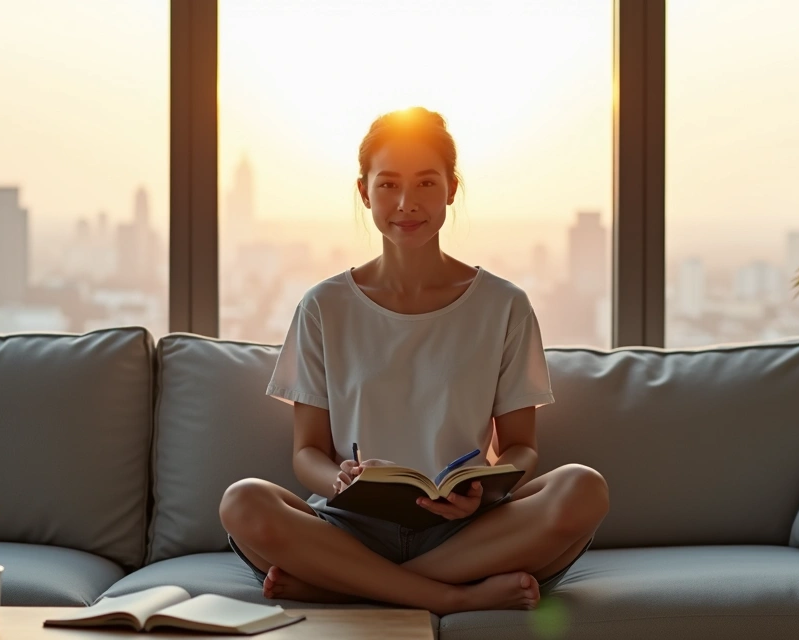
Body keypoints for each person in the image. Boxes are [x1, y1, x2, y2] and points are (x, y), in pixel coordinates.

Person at [219, 107, 608, 615]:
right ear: (365, 192)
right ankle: (447, 596)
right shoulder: (322, 307)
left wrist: (485, 491)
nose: (407, 203)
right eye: (388, 186)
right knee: (242, 501)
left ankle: (349, 587)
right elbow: (307, 452)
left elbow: (520, 448)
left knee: (583, 488)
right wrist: (338, 480)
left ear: (451, 188)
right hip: (348, 528)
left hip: (466, 530)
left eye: (427, 183)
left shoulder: (503, 305)